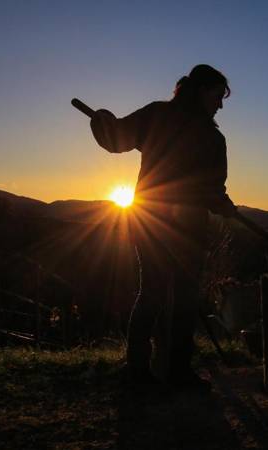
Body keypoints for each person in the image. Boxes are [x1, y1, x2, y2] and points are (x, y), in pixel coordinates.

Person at [89, 64, 237, 388]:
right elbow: (213, 191)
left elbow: (116, 139)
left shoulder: (159, 117)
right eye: (218, 95)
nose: (221, 104)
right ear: (200, 90)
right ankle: (177, 371)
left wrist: (103, 123)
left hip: (151, 220)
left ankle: (141, 372)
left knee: (153, 293)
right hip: (180, 226)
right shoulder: (212, 138)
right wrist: (223, 206)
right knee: (179, 296)